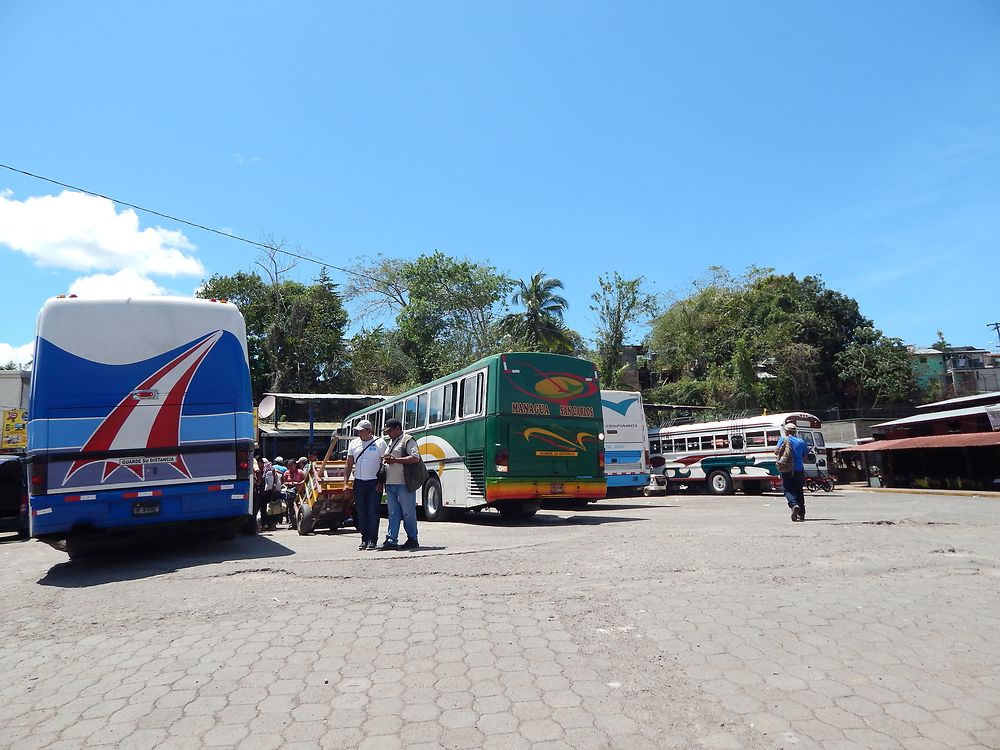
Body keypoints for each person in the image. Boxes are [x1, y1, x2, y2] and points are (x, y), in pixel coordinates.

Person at [379, 418, 421, 551]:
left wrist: (396, 460)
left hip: (403, 483)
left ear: (398, 428)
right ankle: (391, 540)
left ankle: (412, 539)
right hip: (391, 483)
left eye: (390, 431)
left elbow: (415, 457)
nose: (388, 434)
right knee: (393, 512)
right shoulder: (391, 441)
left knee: (408, 512)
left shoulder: (408, 440)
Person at [344, 420, 386, 550]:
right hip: (359, 482)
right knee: (361, 511)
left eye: (361, 431)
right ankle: (364, 538)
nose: (359, 433)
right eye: (358, 431)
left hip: (374, 482)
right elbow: (349, 463)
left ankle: (373, 540)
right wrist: (345, 482)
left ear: (369, 431)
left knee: (373, 511)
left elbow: (385, 464)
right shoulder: (354, 443)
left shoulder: (380, 443)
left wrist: (380, 482)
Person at [776, 422, 809, 522]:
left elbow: (776, 451)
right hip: (799, 470)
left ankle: (794, 505)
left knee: (788, 490)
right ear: (795, 432)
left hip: (787, 469)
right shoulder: (801, 442)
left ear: (786, 431)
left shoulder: (783, 439)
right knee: (799, 491)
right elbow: (805, 457)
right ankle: (802, 514)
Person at [282, 457, 308, 528]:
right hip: (290, 492)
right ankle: (291, 523)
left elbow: (305, 480)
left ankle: (299, 522)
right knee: (290, 508)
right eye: (289, 465)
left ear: (295, 465)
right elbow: (284, 482)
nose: (290, 467)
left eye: (291, 465)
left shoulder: (300, 472)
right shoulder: (286, 473)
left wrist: (298, 483)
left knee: (299, 507)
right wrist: (289, 483)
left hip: (299, 492)